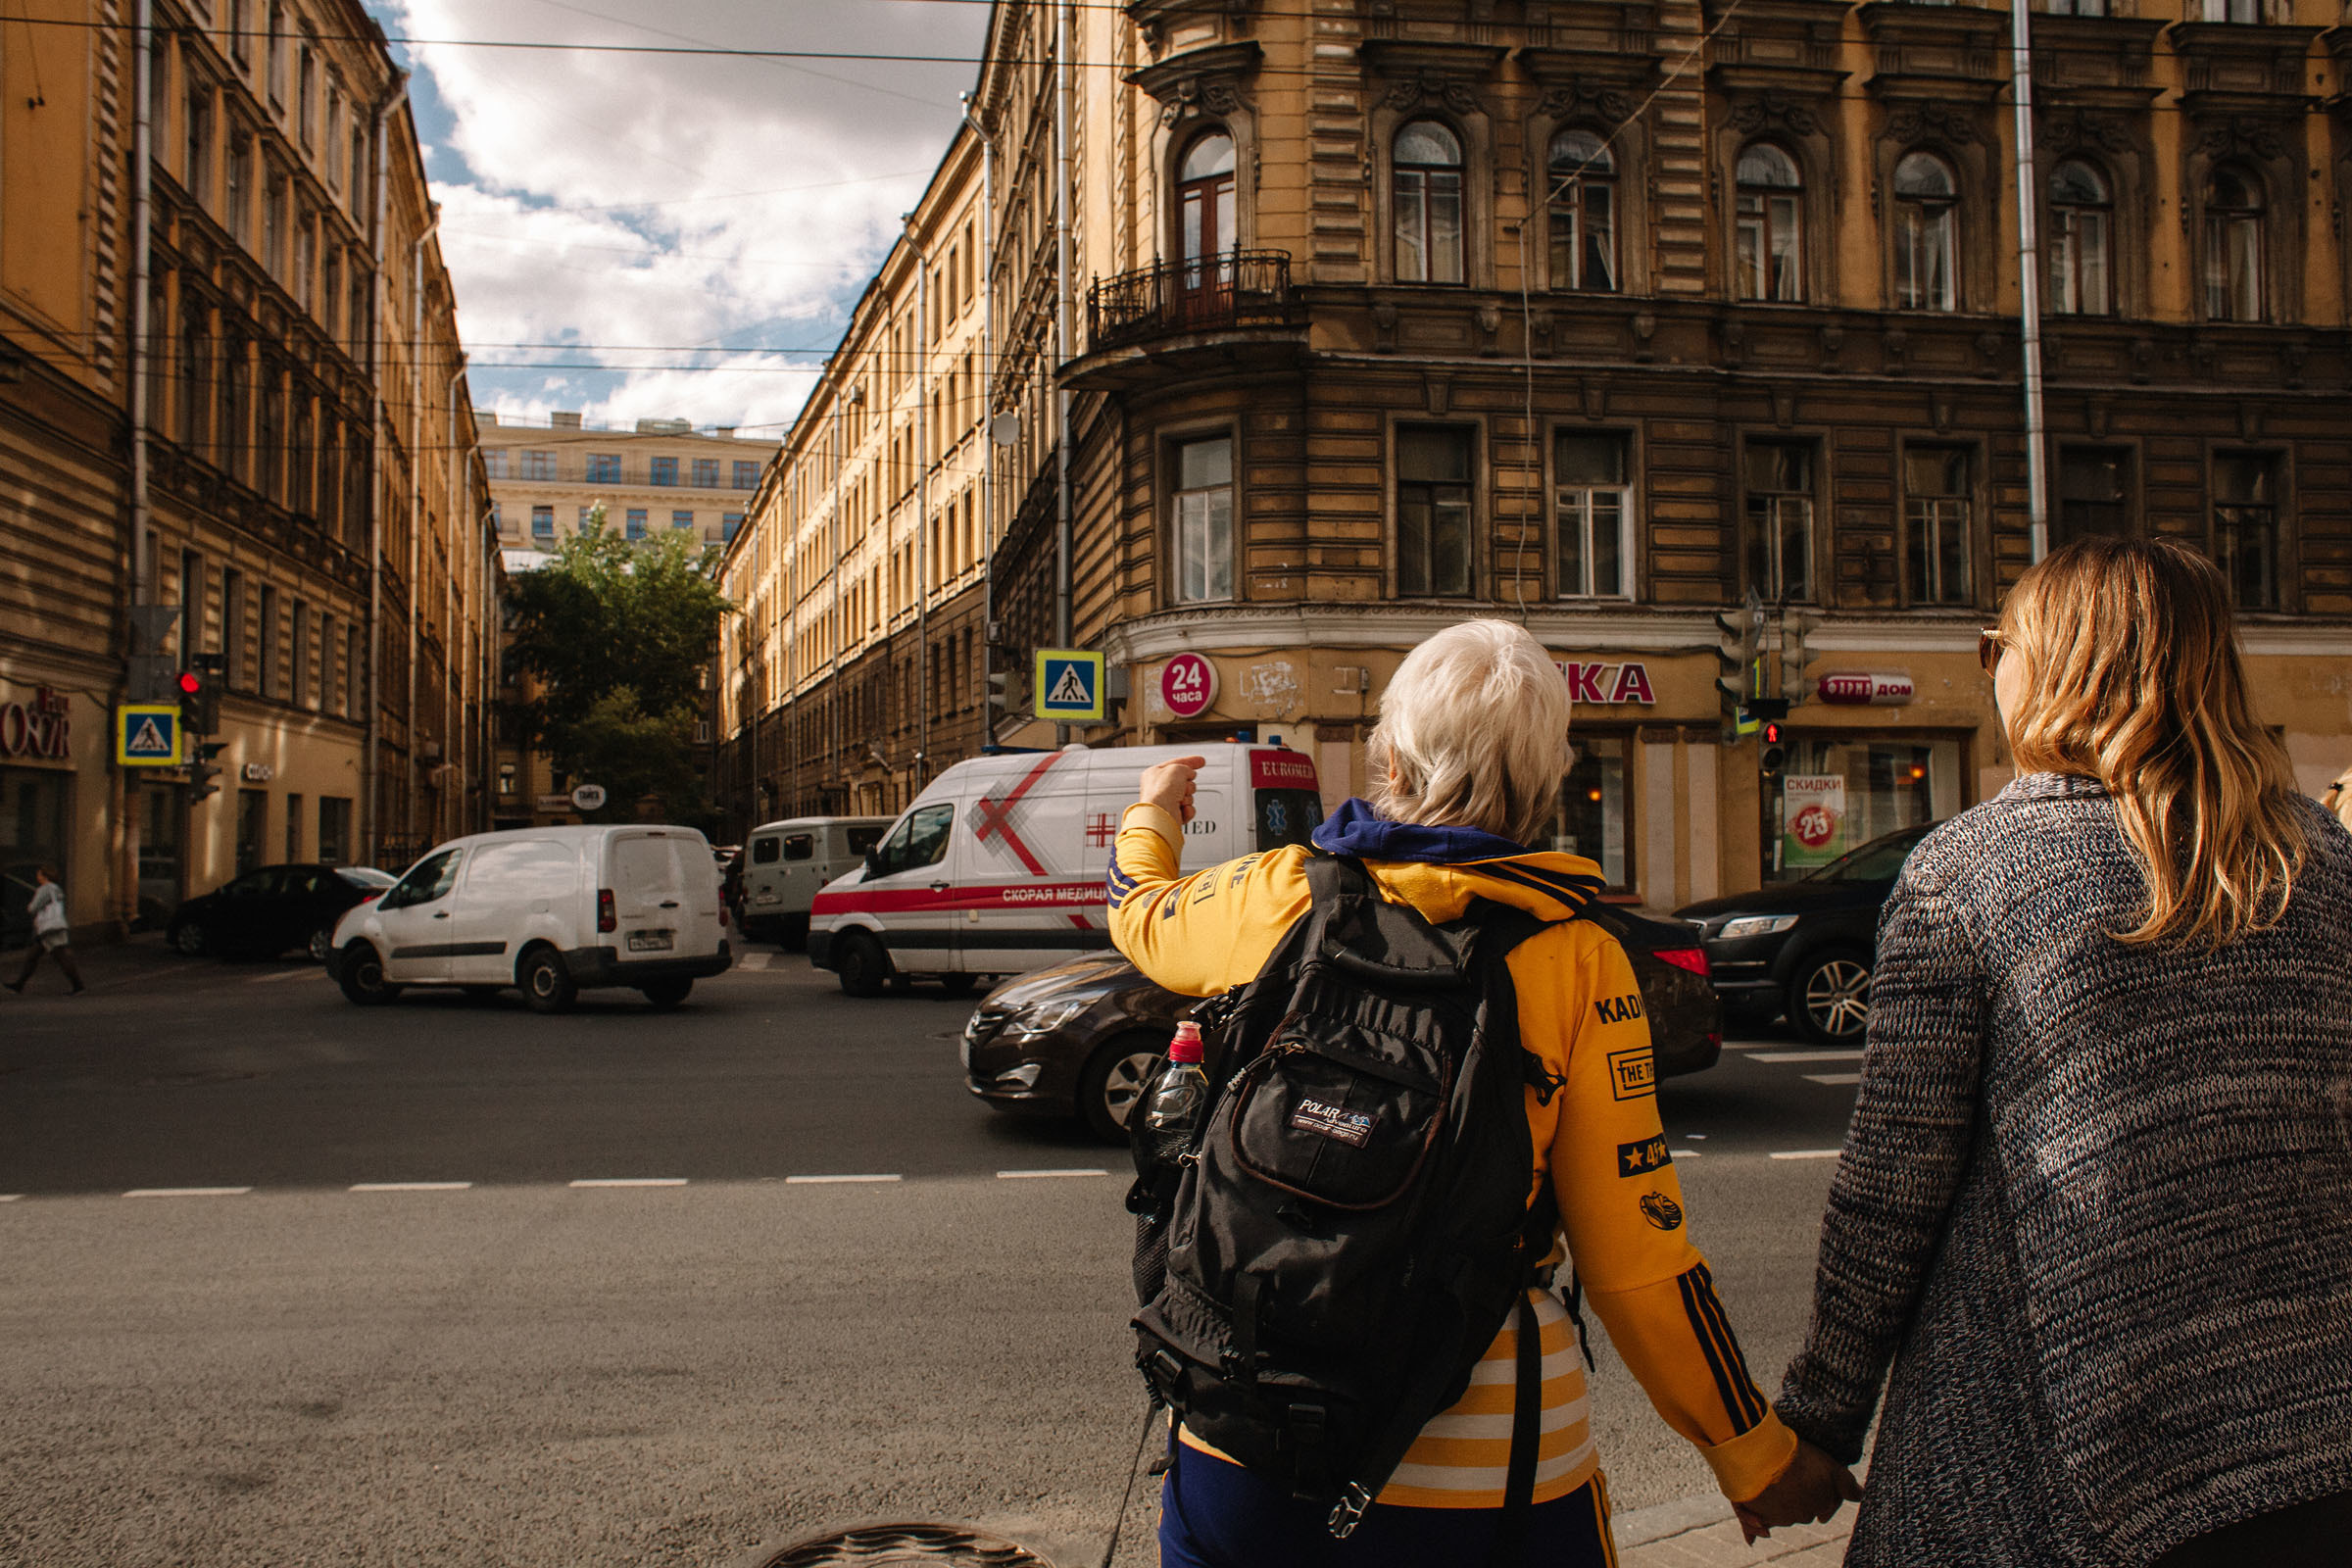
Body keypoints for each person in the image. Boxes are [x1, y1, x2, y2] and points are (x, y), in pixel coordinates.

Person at [1108, 619, 1856, 1567]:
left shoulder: (1285, 895)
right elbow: (1638, 1264)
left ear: (1387, 752)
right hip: (1489, 1481)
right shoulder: (1578, 958)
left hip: (1239, 1449)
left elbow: (1139, 912)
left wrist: (1153, 813)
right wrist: (1751, 1456)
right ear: (1552, 774)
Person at [1775, 536, 2352, 1566]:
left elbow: (1892, 1189)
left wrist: (1820, 1421)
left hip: (2049, 1465)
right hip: (2314, 1451)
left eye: (1999, 642)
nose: (1990, 665)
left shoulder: (1974, 872)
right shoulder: (2327, 867)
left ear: (2060, 666)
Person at [9, 865, 85, 996]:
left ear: (44, 876)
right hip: (55, 926)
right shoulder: (57, 889)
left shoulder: (44, 889)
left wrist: (30, 906)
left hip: (48, 928)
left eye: (39, 874)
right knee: (33, 956)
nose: (37, 877)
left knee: (61, 957)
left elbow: (33, 908)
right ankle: (19, 984)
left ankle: (78, 985)